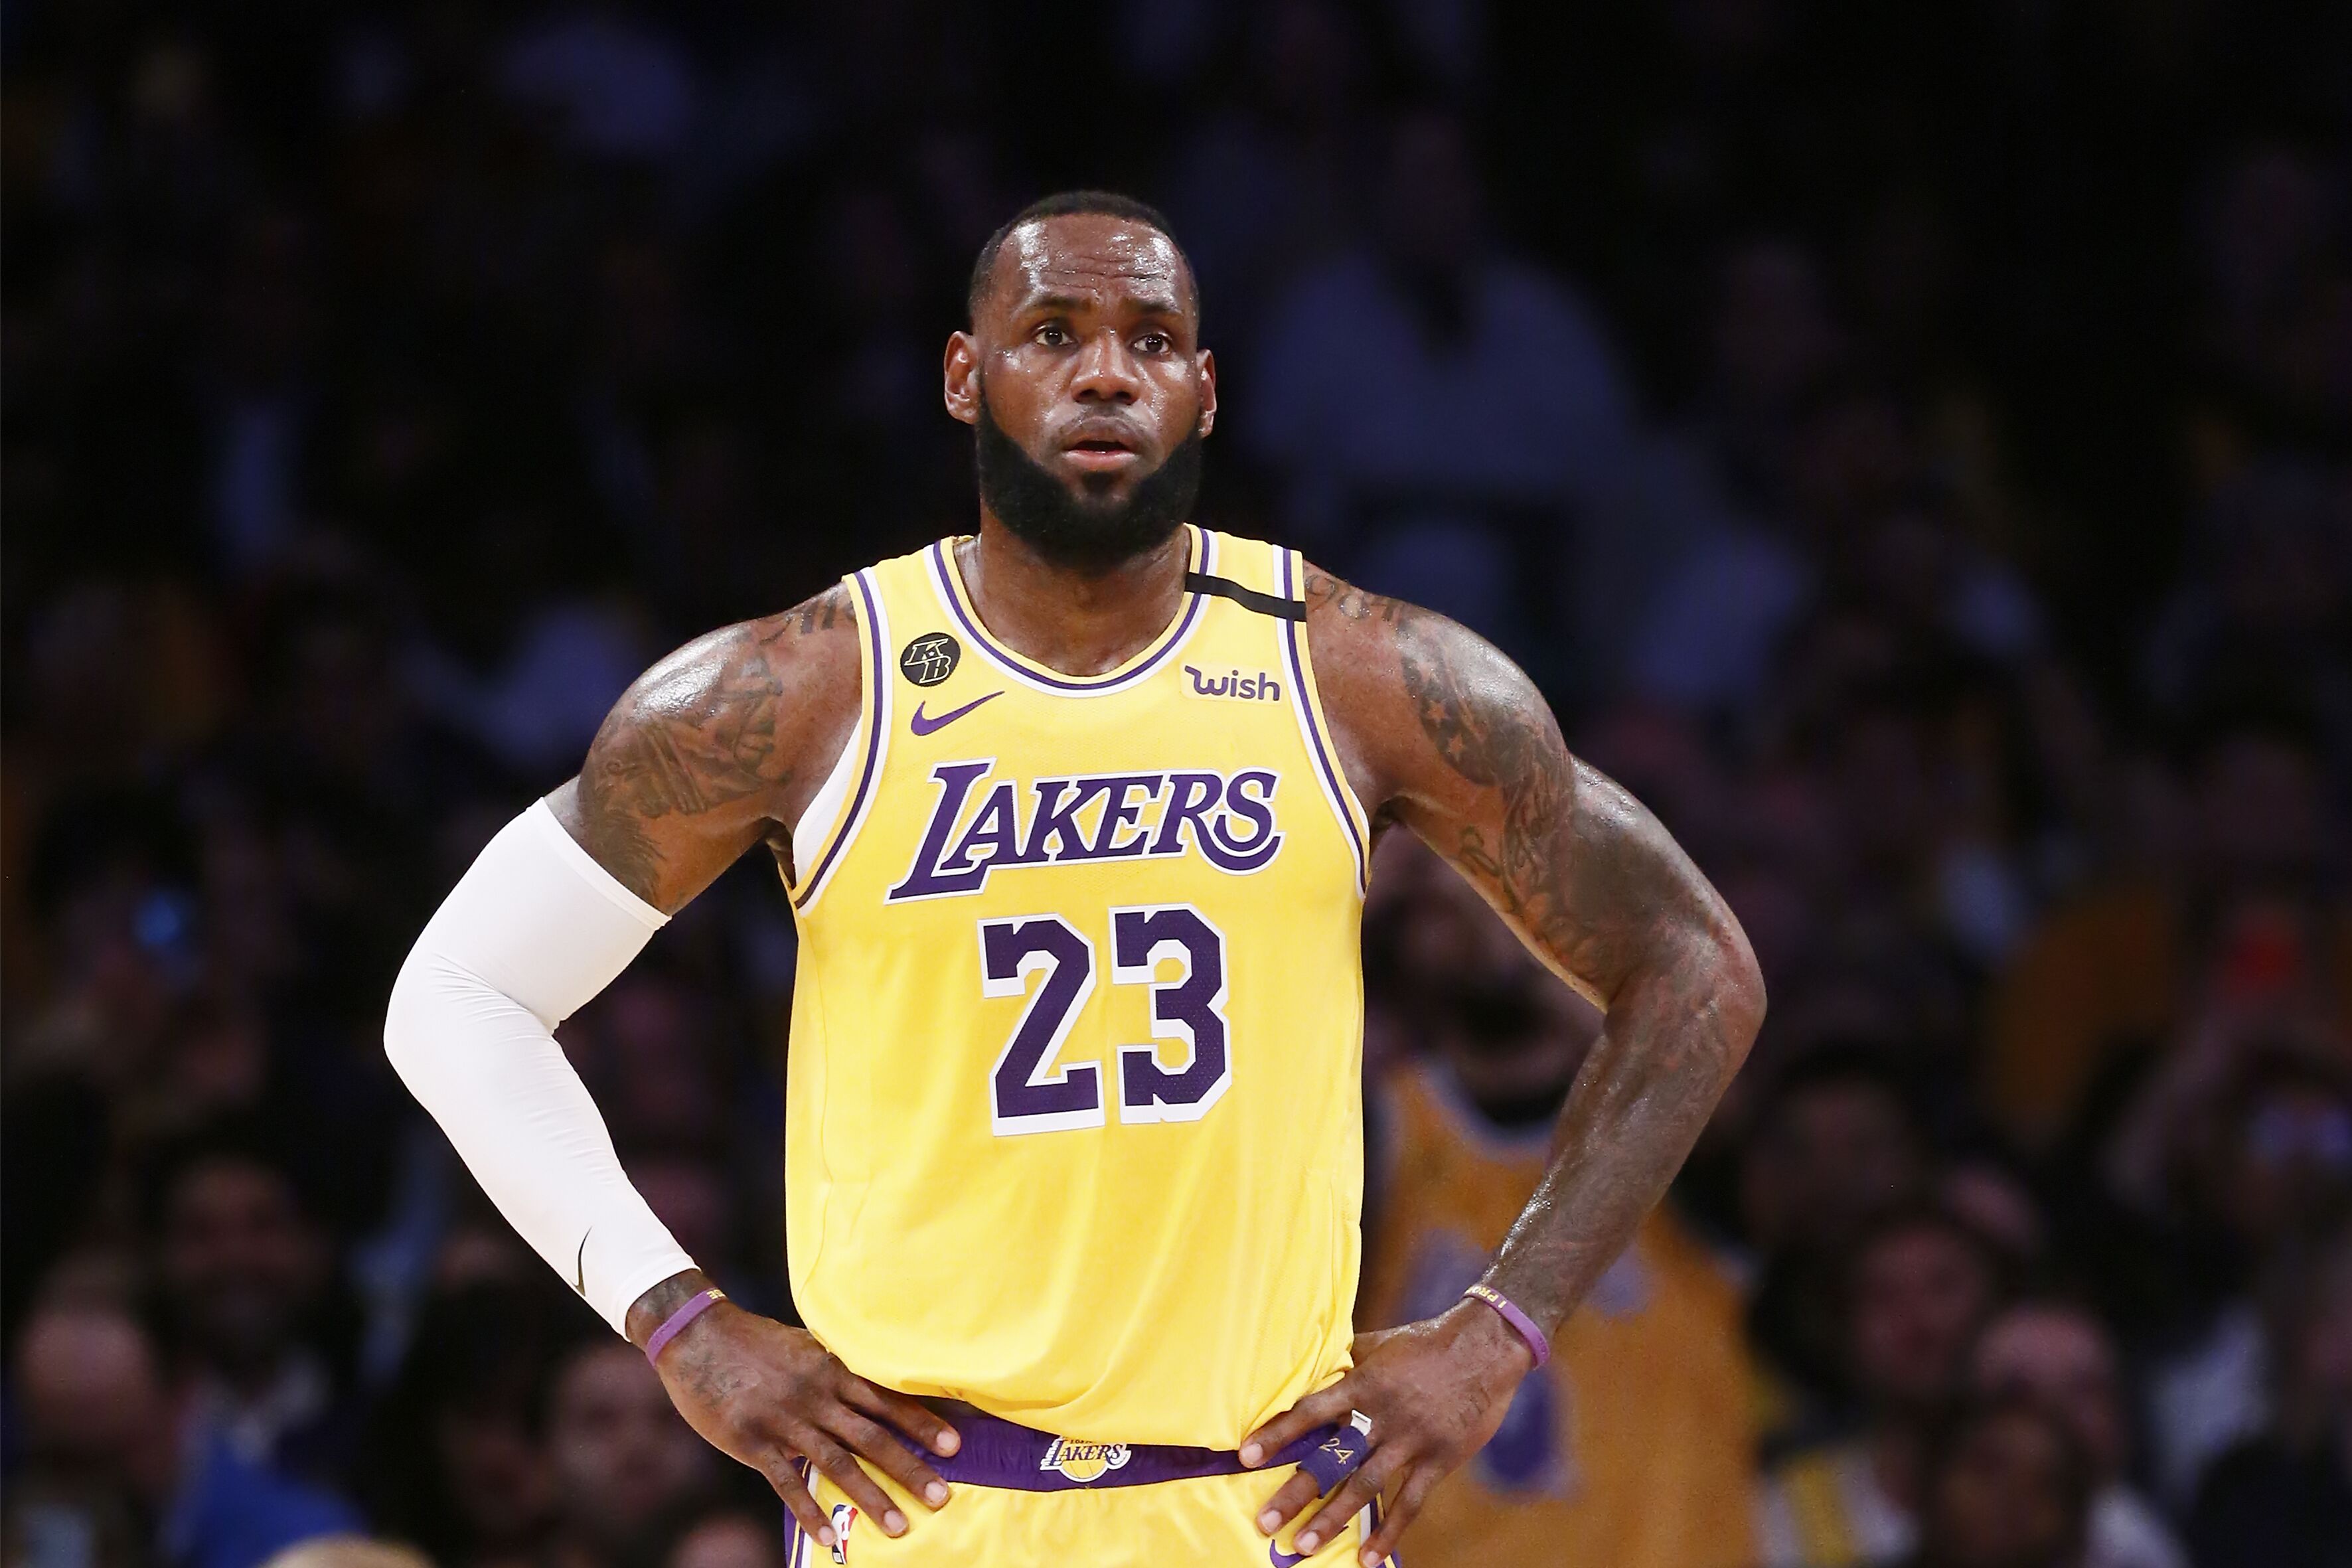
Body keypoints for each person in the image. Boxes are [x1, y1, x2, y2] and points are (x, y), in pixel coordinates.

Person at [384, 191, 1766, 1565]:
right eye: (1053, 331)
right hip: (927, 1511)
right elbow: (455, 993)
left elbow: (1694, 966)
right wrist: (677, 1319)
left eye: (1151, 340)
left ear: (1205, 392)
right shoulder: (801, 689)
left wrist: (1496, 1329)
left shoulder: (1363, 675)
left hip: (1263, 1504)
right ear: (962, 376)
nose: (1106, 369)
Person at [1356, 848, 1758, 1568]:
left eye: (1495, 891)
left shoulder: (1674, 1130)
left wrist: (1534, 963)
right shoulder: (1381, 1133)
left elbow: (1710, 1072)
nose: (1470, 908)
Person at [1758, 1208, 2008, 1567]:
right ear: (1844, 1333)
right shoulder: (1781, 1511)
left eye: (1943, 1287)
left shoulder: (2064, 1500)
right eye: (1883, 1296)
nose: (1919, 1322)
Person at [1968, 1302, 2185, 1568]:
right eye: (2021, 1392)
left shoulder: (2131, 1542)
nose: (2054, 1413)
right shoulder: (1922, 1542)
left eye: (2082, 1390)